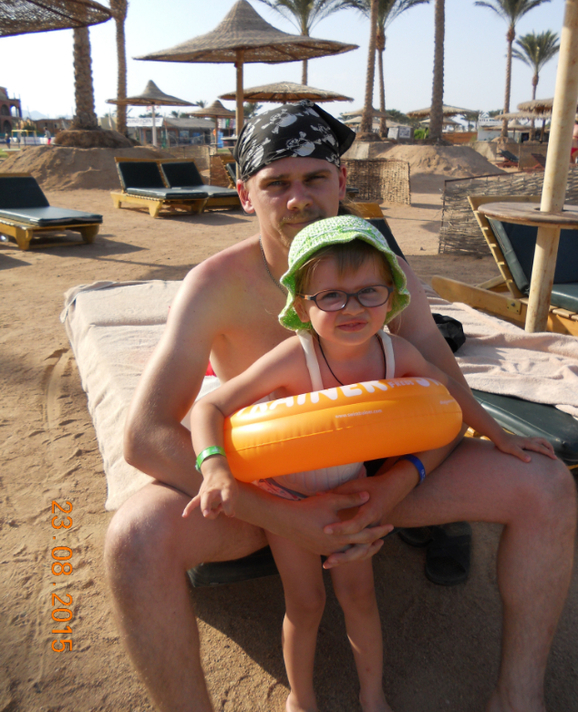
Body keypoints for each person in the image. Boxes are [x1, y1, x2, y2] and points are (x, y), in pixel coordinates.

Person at [104, 101, 576, 712]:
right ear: (245, 194)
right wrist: (284, 515)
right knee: (135, 538)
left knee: (547, 484)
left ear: (341, 182)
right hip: (261, 487)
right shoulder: (216, 286)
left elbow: (443, 383)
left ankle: (518, 698)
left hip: (374, 478)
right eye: (276, 183)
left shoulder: (386, 274)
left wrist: (397, 485)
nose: (297, 197)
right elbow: (144, 437)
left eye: (314, 178)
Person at [183, 215, 556, 712]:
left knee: (360, 599)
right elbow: (209, 407)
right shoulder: (294, 358)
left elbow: (450, 394)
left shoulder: (395, 352)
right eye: (331, 296)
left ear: (392, 297)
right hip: (286, 496)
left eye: (368, 292)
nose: (353, 308)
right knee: (306, 605)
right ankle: (301, 699)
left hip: (352, 490)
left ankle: (372, 696)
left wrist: (500, 435)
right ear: (302, 306)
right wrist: (214, 467)